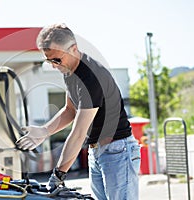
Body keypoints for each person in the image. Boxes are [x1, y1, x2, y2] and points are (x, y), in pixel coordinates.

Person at [16, 23, 141, 200]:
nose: (53, 65)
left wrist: (58, 175)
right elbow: (70, 110)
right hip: (97, 152)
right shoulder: (70, 72)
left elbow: (78, 133)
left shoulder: (91, 77)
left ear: (73, 49)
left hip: (117, 152)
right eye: (49, 60)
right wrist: (45, 130)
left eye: (57, 60)